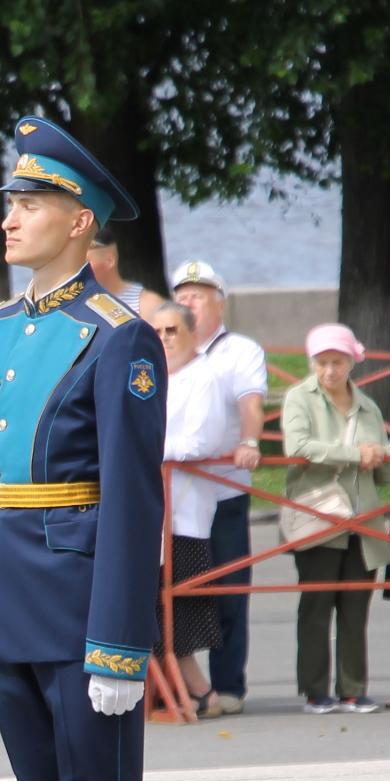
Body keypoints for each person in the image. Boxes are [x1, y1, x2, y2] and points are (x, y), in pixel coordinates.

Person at [0, 115, 165, 781]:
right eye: (10, 199)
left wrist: (120, 644)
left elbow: (132, 500)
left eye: (31, 201)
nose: (10, 216)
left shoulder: (119, 334)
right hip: (10, 601)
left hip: (81, 605)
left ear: (80, 219)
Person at [280, 323, 390, 713]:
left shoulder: (368, 406)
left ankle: (353, 688)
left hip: (362, 516)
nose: (330, 370)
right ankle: (315, 690)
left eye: (337, 362)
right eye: (322, 362)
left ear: (351, 363)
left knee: (355, 607)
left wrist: (380, 457)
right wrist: (355, 455)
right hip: (317, 513)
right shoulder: (300, 398)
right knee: (316, 606)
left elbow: (382, 467)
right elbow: (298, 445)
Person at [170, 258, 267, 715]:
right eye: (182, 295)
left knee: (229, 586)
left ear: (219, 303)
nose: (188, 302)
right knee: (178, 588)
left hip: (223, 486)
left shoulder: (239, 351)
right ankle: (184, 683)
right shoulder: (166, 348)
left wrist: (248, 440)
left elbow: (250, 401)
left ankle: (229, 685)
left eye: (198, 295)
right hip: (177, 495)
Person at [154, 302, 231, 715]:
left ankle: (201, 693)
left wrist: (145, 450)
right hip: (151, 510)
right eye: (159, 332)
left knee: (176, 606)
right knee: (157, 603)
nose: (165, 340)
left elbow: (201, 443)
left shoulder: (205, 377)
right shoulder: (155, 378)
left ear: (190, 333)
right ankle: (180, 692)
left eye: (172, 331)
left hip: (183, 510)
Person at [87, 227, 164, 317]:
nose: (80, 268)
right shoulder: (75, 303)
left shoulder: (147, 304)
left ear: (109, 261)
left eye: (86, 262)